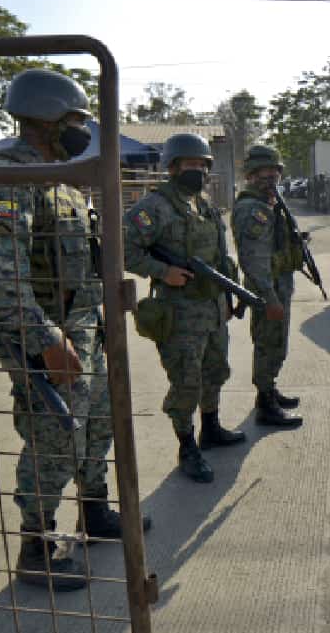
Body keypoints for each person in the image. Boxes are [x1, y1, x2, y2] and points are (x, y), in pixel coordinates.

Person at [0, 68, 147, 591]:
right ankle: (36, 543)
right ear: (44, 120)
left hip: (86, 332)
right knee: (54, 439)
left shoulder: (60, 181)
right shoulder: (5, 178)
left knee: (98, 427)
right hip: (48, 342)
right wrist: (45, 340)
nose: (83, 132)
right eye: (75, 122)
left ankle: (94, 510)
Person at [123, 133, 246, 484]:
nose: (197, 171)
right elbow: (123, 247)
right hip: (178, 313)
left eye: (202, 165)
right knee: (186, 382)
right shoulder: (155, 207)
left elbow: (220, 257)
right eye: (190, 164)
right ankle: (187, 446)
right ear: (173, 167)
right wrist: (163, 272)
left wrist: (226, 297)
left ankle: (211, 428)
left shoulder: (204, 205)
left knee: (215, 371)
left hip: (211, 308)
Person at [231, 145, 304, 428]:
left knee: (277, 344)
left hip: (278, 285)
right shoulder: (253, 209)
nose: (271, 175)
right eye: (264, 171)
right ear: (251, 175)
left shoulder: (269, 203)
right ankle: (265, 404)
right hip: (267, 289)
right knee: (267, 345)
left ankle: (269, 390)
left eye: (275, 170)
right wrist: (270, 297)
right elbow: (254, 259)